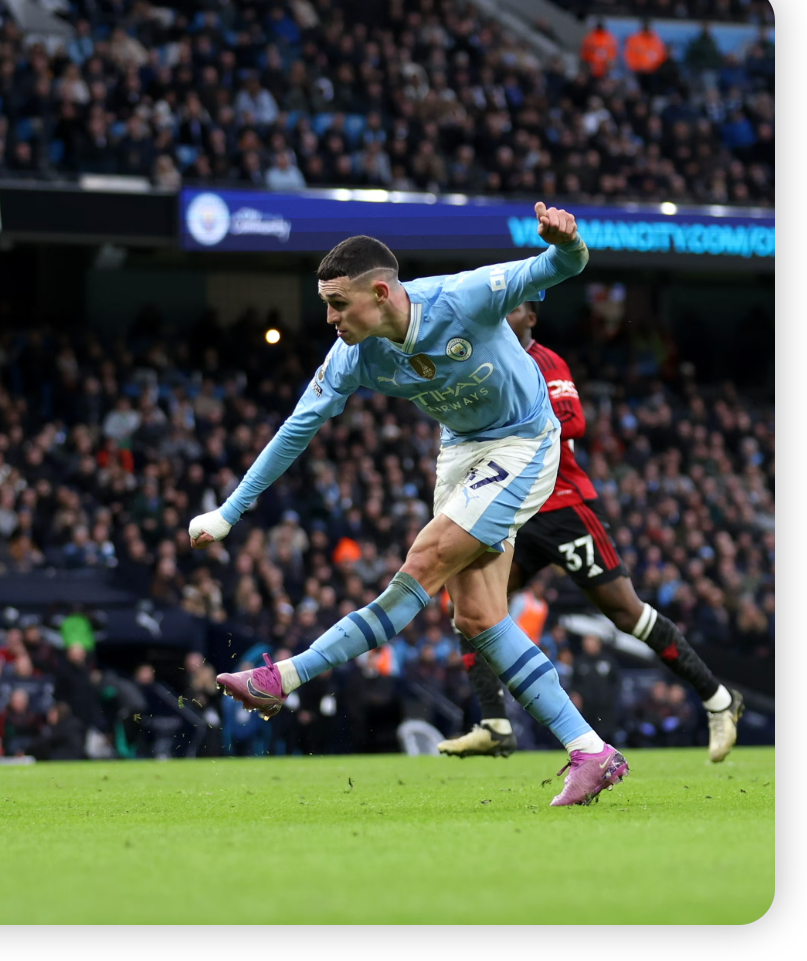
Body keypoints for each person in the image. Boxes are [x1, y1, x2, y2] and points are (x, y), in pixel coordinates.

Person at [191, 204, 630, 806]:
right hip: (459, 455)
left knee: (422, 561)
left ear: (379, 292)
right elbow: (296, 429)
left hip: (525, 442)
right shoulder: (354, 354)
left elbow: (563, 266)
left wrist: (569, 240)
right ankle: (591, 751)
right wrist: (230, 511)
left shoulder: (464, 297)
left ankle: (284, 676)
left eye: (339, 304)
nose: (329, 317)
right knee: (477, 619)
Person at [439, 301, 742, 760]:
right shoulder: (483, 361)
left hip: (563, 508)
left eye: (513, 310)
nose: (502, 318)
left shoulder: (546, 361)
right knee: (471, 606)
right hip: (512, 510)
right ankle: (495, 722)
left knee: (626, 612)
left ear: (531, 318)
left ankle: (719, 700)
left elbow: (573, 420)